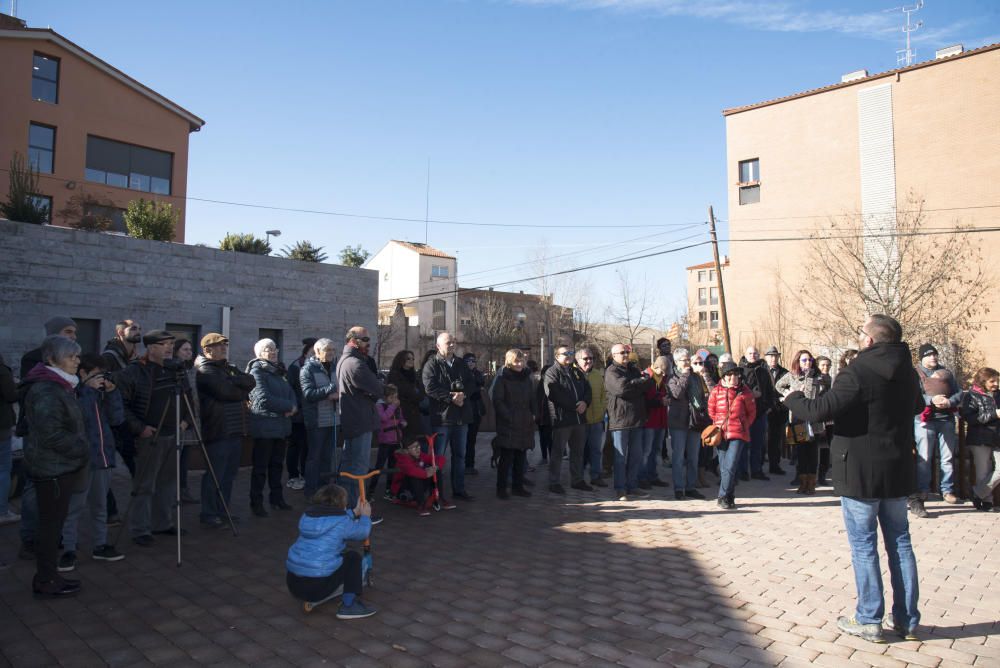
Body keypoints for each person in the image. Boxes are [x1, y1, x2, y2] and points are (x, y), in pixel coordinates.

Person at [784, 314, 923, 644]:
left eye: (863, 333)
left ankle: (869, 618)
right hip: (896, 467)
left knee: (864, 547)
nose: (860, 337)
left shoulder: (859, 370)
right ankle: (906, 619)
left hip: (860, 470)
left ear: (871, 341)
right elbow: (916, 405)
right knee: (900, 543)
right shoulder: (907, 371)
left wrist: (792, 399)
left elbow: (820, 410)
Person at [20, 335, 89, 597]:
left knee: (53, 525)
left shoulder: (61, 385)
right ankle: (46, 579)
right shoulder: (47, 389)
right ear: (51, 360)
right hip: (53, 469)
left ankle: (48, 576)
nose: (77, 361)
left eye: (77, 356)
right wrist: (81, 449)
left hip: (60, 465)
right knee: (50, 526)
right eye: (71, 357)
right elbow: (51, 434)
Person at [117, 329, 193, 545]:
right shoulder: (134, 372)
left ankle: (162, 523)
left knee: (168, 482)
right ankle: (140, 529)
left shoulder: (176, 370)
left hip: (174, 433)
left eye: (171, 344)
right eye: (164, 344)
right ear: (151, 348)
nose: (169, 348)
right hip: (149, 436)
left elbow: (188, 396)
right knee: (145, 484)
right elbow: (120, 405)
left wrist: (186, 420)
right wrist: (139, 428)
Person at [59, 353, 126, 572]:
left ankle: (100, 545)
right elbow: (81, 417)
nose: (101, 379)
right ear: (83, 373)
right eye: (96, 375)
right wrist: (89, 390)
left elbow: (117, 419)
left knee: (100, 507)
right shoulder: (73, 392)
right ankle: (68, 549)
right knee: (74, 507)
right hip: (81, 460)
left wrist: (113, 393)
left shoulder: (102, 394)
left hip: (104, 457)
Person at [285, 483, 377, 619]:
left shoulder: (307, 516)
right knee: (352, 557)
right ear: (342, 505)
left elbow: (331, 520)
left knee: (333, 555)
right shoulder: (341, 522)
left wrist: (354, 512)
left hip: (294, 583)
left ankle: (321, 592)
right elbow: (362, 532)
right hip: (316, 585)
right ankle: (349, 606)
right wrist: (365, 517)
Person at [196, 333, 255, 530]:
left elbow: (250, 381)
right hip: (218, 430)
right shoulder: (205, 370)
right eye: (218, 346)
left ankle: (223, 509)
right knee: (215, 474)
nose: (223, 349)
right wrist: (238, 388)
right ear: (207, 350)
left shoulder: (228, 368)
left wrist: (235, 385)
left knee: (229, 474)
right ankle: (209, 513)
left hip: (235, 429)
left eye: (224, 345)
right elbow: (225, 392)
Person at [422, 332, 475, 501]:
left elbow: (471, 383)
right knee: (438, 457)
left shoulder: (461, 364)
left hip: (461, 418)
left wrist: (463, 396)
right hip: (442, 420)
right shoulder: (431, 365)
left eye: (453, 342)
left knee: (460, 456)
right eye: (448, 342)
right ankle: (435, 491)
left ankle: (459, 490)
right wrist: (451, 398)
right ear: (438, 346)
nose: (452, 345)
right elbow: (430, 388)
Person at [911, 343, 963, 517]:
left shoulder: (946, 373)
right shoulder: (915, 373)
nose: (933, 357)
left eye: (935, 354)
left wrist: (950, 402)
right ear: (922, 357)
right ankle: (922, 491)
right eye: (929, 355)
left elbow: (958, 392)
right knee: (924, 458)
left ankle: (947, 490)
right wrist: (931, 400)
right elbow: (913, 394)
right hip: (924, 421)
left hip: (946, 419)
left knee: (947, 457)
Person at [337, 327, 385, 511]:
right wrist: (376, 390)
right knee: (358, 469)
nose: (368, 342)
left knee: (348, 468)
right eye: (365, 339)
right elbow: (378, 388)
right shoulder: (355, 363)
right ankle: (357, 510)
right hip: (360, 421)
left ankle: (345, 507)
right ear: (354, 341)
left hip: (354, 420)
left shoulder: (347, 360)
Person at [247, 338, 296, 517]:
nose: (273, 352)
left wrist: (293, 405)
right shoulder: (256, 372)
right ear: (259, 353)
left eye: (275, 348)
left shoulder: (279, 372)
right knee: (260, 468)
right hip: (265, 428)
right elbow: (262, 398)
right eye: (268, 349)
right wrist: (288, 407)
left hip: (281, 427)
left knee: (277, 465)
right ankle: (256, 502)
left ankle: (277, 499)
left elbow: (291, 393)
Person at [775, 350, 830, 495]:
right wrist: (788, 394)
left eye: (810, 360)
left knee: (812, 453)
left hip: (814, 421)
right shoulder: (792, 376)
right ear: (798, 361)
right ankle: (802, 482)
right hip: (798, 419)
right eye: (804, 360)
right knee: (800, 452)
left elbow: (828, 391)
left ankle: (811, 484)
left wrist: (821, 394)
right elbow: (778, 386)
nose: (807, 363)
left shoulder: (818, 376)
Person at [604, 344, 653, 501]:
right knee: (620, 457)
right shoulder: (611, 371)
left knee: (636, 455)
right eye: (622, 353)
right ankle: (620, 488)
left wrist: (636, 383)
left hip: (637, 418)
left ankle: (632, 485)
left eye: (627, 352)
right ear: (614, 355)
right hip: (620, 420)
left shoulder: (633, 369)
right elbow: (621, 389)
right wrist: (638, 383)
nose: (626, 355)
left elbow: (647, 385)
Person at [543, 345, 592, 494]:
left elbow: (587, 389)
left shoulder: (577, 371)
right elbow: (553, 394)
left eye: (571, 353)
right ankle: (554, 482)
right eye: (566, 354)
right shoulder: (552, 372)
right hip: (563, 419)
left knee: (578, 452)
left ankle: (577, 480)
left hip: (580, 420)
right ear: (557, 357)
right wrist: (574, 406)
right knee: (558, 452)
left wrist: (585, 402)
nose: (569, 356)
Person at [708, 361, 756, 510]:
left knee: (730, 465)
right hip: (721, 433)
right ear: (724, 376)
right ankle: (730, 496)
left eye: (736, 374)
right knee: (724, 467)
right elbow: (711, 410)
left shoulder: (745, 391)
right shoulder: (716, 391)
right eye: (729, 374)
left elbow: (752, 412)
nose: (733, 377)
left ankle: (722, 496)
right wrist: (718, 423)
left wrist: (743, 425)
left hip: (738, 433)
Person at [491, 349, 536, 499]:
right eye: (516, 361)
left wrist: (533, 414)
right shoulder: (502, 378)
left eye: (521, 361)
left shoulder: (527, 379)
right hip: (508, 424)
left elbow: (532, 399)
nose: (519, 364)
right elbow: (498, 401)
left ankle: (518, 487)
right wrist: (509, 416)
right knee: (506, 458)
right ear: (509, 362)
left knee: (520, 457)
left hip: (524, 423)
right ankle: (501, 489)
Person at [300, 339, 340, 500]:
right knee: (314, 457)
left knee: (327, 457)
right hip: (317, 421)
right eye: (327, 350)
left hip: (333, 419)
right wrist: (330, 390)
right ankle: (311, 491)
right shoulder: (307, 369)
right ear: (317, 352)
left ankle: (325, 492)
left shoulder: (336, 367)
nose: (330, 353)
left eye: (332, 350)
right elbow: (308, 394)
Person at [667, 348, 708, 501]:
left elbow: (702, 396)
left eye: (687, 360)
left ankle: (690, 487)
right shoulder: (672, 377)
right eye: (684, 360)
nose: (687, 363)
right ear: (676, 362)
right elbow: (677, 393)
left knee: (693, 456)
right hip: (678, 421)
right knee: (678, 457)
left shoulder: (696, 377)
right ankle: (678, 488)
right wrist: (685, 374)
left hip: (694, 421)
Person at [960, 367, 1000, 512]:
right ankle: (987, 501)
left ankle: (977, 493)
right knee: (983, 471)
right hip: (979, 438)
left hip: (997, 438)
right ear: (983, 381)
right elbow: (970, 418)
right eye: (992, 381)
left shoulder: (998, 395)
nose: (996, 384)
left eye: (997, 381)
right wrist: (994, 414)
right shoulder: (971, 396)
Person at [286, 338, 318, 492]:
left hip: (311, 413)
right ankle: (293, 474)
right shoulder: (295, 366)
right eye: (313, 351)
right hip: (298, 414)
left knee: (307, 445)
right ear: (307, 351)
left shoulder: (317, 366)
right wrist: (298, 406)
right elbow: (290, 390)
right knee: (295, 445)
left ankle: (306, 474)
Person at [739, 346, 775, 481]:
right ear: (745, 354)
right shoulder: (740, 371)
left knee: (758, 444)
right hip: (744, 414)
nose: (752, 355)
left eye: (755, 353)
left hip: (760, 413)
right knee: (743, 445)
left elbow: (770, 391)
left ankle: (756, 470)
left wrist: (769, 406)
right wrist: (750, 395)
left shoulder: (764, 371)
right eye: (750, 353)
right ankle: (743, 471)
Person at [390, 439, 453, 515]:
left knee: (436, 470)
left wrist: (435, 467)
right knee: (415, 475)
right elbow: (411, 470)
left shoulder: (420, 455)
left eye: (418, 446)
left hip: (416, 485)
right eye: (414, 448)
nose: (417, 449)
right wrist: (426, 473)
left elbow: (441, 458)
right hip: (402, 489)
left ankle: (439, 498)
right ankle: (421, 505)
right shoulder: (403, 459)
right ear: (406, 451)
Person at [576, 347, 608, 488]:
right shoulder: (573, 374)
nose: (589, 361)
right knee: (580, 451)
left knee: (596, 450)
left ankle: (596, 476)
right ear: (577, 360)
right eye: (586, 358)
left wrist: (602, 409)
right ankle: (578, 477)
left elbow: (604, 394)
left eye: (591, 358)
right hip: (580, 421)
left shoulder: (597, 374)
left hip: (597, 420)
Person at [172, 338, 199, 504]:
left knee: (184, 460)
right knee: (175, 459)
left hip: (190, 419)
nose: (188, 352)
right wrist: (183, 419)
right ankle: (174, 493)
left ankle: (183, 490)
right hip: (180, 420)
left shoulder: (192, 370)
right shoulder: (174, 370)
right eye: (184, 350)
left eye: (190, 349)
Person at [638, 355, 670, 490]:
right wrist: (660, 401)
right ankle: (641, 477)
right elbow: (641, 401)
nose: (663, 375)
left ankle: (652, 475)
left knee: (655, 450)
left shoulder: (663, 379)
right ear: (655, 366)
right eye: (661, 372)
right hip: (648, 420)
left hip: (661, 420)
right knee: (646, 451)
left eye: (665, 373)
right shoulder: (645, 377)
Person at [372, 384, 404, 499]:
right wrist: (392, 407)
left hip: (395, 440)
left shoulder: (395, 407)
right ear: (385, 397)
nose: (395, 400)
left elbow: (400, 417)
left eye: (396, 397)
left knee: (392, 467)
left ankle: (389, 490)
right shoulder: (380, 406)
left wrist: (403, 422)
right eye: (392, 397)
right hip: (385, 441)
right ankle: (370, 491)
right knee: (379, 466)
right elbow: (384, 418)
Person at [388, 350, 425, 445]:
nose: (411, 360)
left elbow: (421, 394)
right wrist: (414, 394)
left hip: (414, 415)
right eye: (408, 358)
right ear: (401, 359)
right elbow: (403, 391)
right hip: (401, 414)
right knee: (401, 445)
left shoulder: (414, 376)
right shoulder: (394, 375)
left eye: (413, 358)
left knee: (413, 445)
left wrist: (415, 394)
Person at [763, 346, 789, 476]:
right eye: (770, 356)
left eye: (775, 356)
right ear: (766, 357)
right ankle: (759, 465)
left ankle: (774, 465)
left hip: (779, 410)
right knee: (761, 438)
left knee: (776, 439)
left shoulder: (785, 372)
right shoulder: (761, 371)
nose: (773, 358)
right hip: (764, 409)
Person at [0, 352, 19, 525]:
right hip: (1, 425)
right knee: (3, 468)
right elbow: (11, 395)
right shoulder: (2, 370)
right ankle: (2, 511)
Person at [462, 353, 487, 476]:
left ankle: (470, 465)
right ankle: (463, 465)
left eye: (473, 361)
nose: (471, 363)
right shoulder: (461, 374)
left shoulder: (477, 374)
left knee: (471, 440)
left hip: (475, 411)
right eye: (468, 361)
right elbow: (468, 391)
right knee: (463, 440)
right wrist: (477, 389)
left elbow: (481, 383)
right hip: (464, 411)